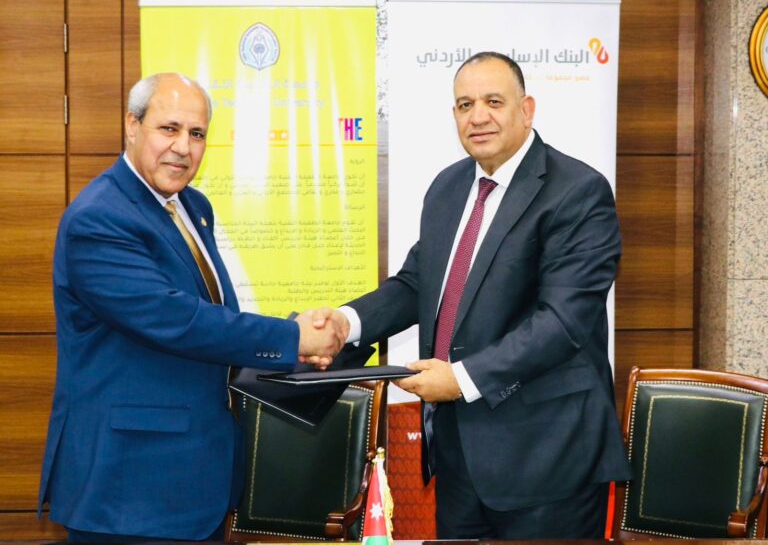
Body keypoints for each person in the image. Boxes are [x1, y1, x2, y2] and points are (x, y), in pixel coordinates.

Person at [317, 52, 632, 539]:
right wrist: (346, 323)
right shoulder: (448, 187)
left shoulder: (577, 191)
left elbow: (562, 322)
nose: (478, 116)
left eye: (493, 102)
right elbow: (417, 284)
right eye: (465, 105)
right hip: (459, 453)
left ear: (526, 109)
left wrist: (461, 379)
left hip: (549, 459)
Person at [38, 73, 344, 543]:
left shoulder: (191, 206)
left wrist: (296, 342)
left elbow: (214, 314)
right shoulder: (99, 216)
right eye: (169, 128)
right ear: (132, 125)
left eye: (197, 133)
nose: (183, 147)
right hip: (129, 488)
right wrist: (292, 338)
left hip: (196, 476)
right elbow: (175, 320)